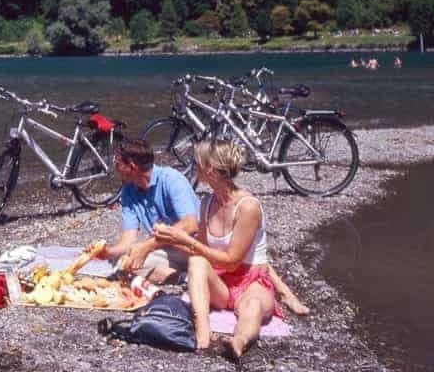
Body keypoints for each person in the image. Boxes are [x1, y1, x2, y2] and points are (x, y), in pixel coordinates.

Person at [154, 139, 307, 359]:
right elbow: (203, 254)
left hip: (250, 281)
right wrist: (170, 239)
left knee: (252, 307)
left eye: (197, 163)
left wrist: (186, 240)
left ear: (211, 170)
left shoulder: (248, 207)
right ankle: (203, 330)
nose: (194, 167)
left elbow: (232, 260)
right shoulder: (206, 202)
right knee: (196, 262)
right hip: (222, 282)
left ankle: (239, 341)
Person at [103, 138, 199, 283]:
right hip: (167, 247)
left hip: (195, 244)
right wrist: (107, 252)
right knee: (125, 263)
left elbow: (191, 225)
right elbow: (128, 239)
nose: (115, 169)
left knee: (133, 263)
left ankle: (194, 273)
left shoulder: (171, 179)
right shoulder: (128, 191)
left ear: (132, 166)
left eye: (118, 164)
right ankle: (185, 277)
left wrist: (148, 245)